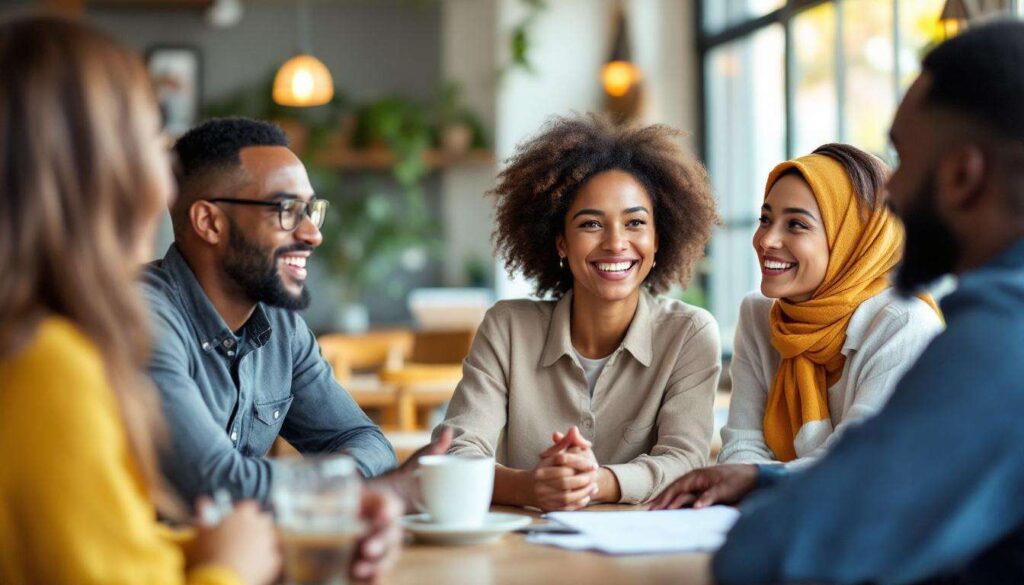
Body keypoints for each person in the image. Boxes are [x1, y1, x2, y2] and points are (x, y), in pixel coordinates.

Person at [656, 20, 1024, 585]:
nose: (891, 192)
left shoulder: (999, 336)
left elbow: (774, 554)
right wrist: (766, 479)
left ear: (961, 175)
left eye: (902, 158)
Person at [0, 15, 279, 585]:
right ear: (104, 173)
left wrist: (222, 547)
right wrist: (234, 566)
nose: (167, 182)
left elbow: (98, 545)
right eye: (157, 144)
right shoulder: (50, 366)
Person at [144, 117, 445, 582]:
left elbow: (369, 444)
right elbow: (214, 486)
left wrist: (339, 490)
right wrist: (378, 494)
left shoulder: (281, 326)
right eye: (285, 210)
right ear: (209, 221)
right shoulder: (141, 317)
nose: (312, 233)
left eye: (311, 210)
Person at [434, 114, 722, 511]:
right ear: (561, 243)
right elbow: (455, 450)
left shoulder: (688, 334)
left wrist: (595, 483)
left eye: (635, 222)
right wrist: (528, 488)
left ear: (658, 239)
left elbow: (687, 460)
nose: (616, 243)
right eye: (591, 224)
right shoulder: (507, 328)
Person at [711, 143, 942, 471]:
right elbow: (741, 447)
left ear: (853, 240)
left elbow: (855, 464)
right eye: (766, 219)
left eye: (796, 225)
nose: (765, 240)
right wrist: (747, 481)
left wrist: (754, 481)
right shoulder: (760, 315)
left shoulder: (903, 324)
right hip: (786, 511)